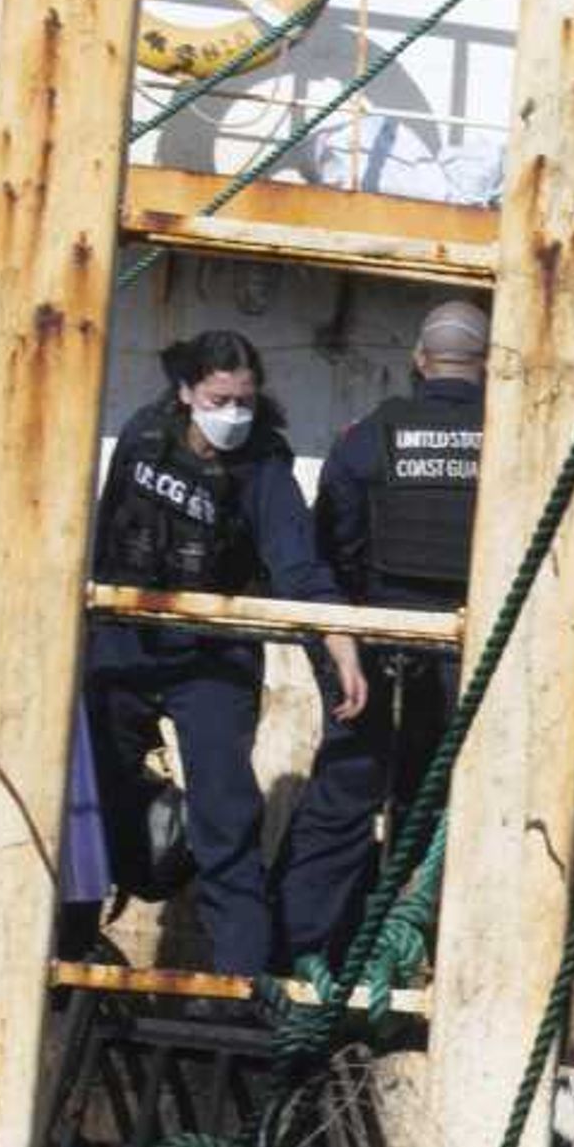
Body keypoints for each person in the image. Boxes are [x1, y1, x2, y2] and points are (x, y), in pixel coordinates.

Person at [83, 330, 364, 978]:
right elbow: (100, 536)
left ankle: (241, 982)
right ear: (186, 392)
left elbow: (299, 563)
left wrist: (339, 639)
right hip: (123, 644)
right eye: (220, 398)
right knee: (88, 798)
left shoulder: (265, 468)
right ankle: (74, 944)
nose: (234, 413)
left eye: (244, 400)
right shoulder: (140, 435)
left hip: (214, 656)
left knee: (226, 818)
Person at [277, 300, 486, 964]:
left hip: (375, 651)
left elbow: (331, 543)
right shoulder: (513, 439)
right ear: (487, 366)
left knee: (344, 796)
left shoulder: (366, 437)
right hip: (474, 658)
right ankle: (429, 956)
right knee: (454, 806)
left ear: (419, 363)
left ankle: (303, 957)